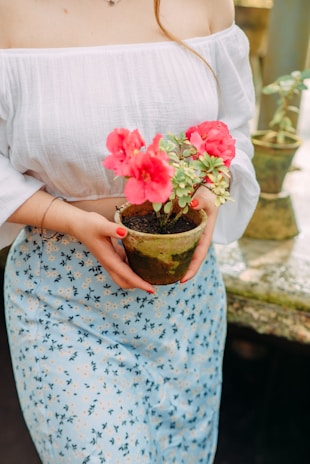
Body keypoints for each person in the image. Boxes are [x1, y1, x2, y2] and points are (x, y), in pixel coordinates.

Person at [0, 0, 260, 462]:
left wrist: (212, 192)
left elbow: (235, 127)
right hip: (65, 300)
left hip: (186, 302)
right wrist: (71, 220)